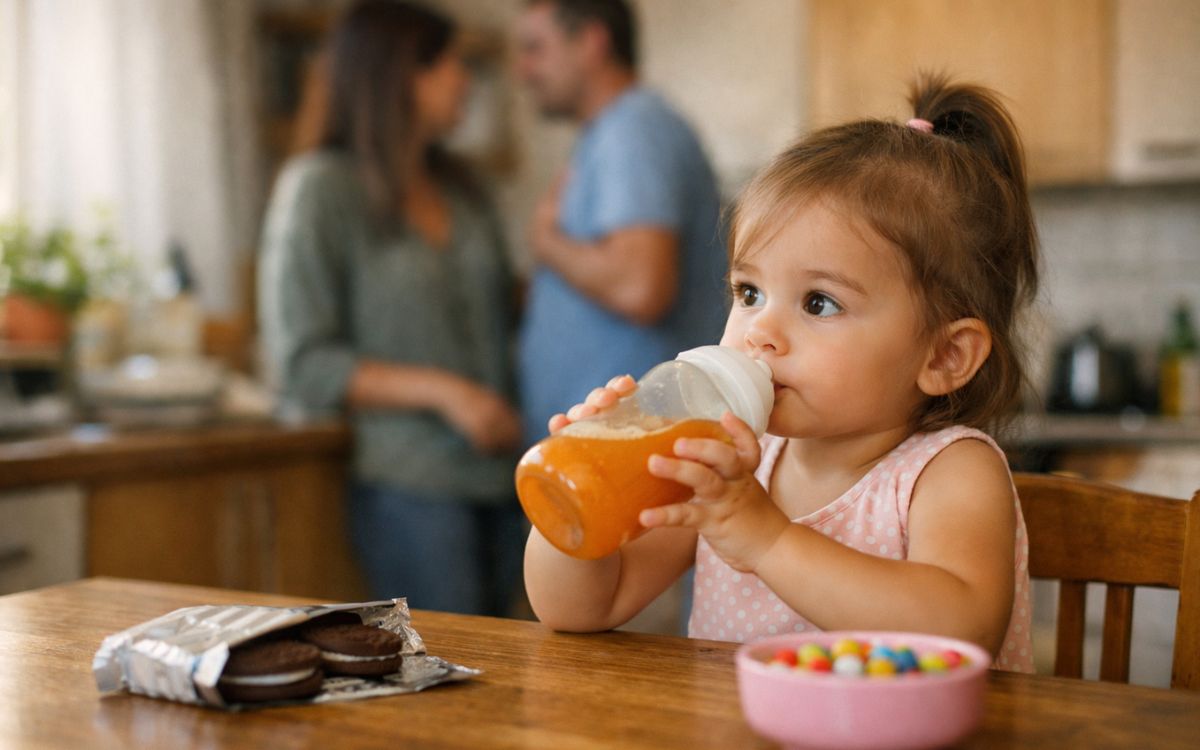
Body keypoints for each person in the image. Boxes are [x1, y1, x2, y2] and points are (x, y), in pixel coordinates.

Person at [524, 74, 1040, 671]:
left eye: (819, 302)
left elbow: (963, 629)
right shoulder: (728, 460)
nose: (759, 330)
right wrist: (583, 495)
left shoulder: (949, 472)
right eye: (748, 292)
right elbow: (581, 609)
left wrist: (766, 539)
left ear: (944, 357)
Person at [258, 1, 525, 616]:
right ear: (400, 73)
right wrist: (448, 393)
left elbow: (496, 309)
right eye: (450, 64)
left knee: (518, 664)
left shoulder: (466, 189)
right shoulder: (320, 190)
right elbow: (302, 362)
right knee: (445, 663)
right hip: (411, 487)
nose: (465, 81)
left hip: (506, 476)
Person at [513, 0, 728, 445]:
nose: (523, 70)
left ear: (592, 42)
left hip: (630, 446)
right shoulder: (614, 130)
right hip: (605, 443)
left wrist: (546, 241)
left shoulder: (633, 129)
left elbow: (639, 286)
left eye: (536, 48)